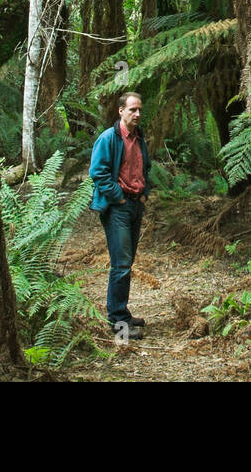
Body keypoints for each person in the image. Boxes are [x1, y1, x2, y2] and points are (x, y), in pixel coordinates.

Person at [89, 92, 152, 339]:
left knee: (127, 263)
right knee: (121, 264)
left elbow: (145, 167)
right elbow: (98, 173)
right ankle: (118, 322)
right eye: (132, 110)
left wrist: (144, 193)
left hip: (136, 205)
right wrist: (120, 197)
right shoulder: (108, 139)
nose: (137, 114)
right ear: (120, 111)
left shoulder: (139, 138)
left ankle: (122, 313)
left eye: (139, 110)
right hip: (118, 208)